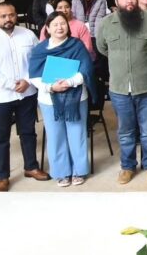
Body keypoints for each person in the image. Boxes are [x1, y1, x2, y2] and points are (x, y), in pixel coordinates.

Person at [95, 0, 147, 184]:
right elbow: (102, 48)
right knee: (126, 132)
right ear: (116, 2)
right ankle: (127, 167)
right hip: (120, 89)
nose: (129, 1)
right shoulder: (106, 24)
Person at [0, 2, 49, 191]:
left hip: (27, 93)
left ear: (16, 15)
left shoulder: (28, 35)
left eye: (11, 15)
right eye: (3, 16)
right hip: (1, 97)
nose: (8, 19)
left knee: (28, 132)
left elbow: (38, 60)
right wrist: (12, 85)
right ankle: (2, 177)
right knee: (0, 138)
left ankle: (31, 167)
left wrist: (27, 81)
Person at [29, 11, 95, 186]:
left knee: (77, 134)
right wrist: (52, 87)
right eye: (55, 24)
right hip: (49, 100)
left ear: (68, 26)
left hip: (76, 97)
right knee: (55, 136)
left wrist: (69, 82)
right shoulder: (40, 50)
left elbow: (86, 70)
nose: (59, 27)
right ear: (47, 28)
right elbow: (34, 76)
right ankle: (61, 172)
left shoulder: (77, 45)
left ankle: (79, 170)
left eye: (63, 23)